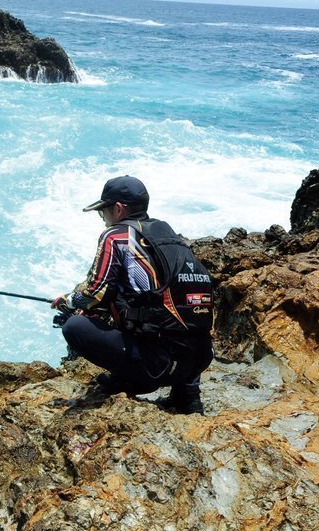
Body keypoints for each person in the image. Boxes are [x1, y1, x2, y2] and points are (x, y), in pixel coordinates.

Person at [51, 175, 214, 414]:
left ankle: (131, 381)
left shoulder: (116, 236)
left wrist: (68, 301)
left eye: (103, 212)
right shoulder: (171, 238)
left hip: (158, 366)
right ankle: (187, 396)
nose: (103, 219)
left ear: (118, 209)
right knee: (172, 317)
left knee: (74, 326)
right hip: (201, 357)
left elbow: (95, 292)